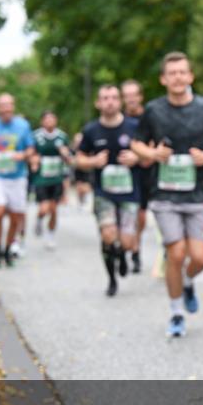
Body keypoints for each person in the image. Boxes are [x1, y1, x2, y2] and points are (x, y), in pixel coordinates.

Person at [131, 52, 203, 337]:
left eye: (182, 72)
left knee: (199, 258)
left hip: (197, 193)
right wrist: (152, 153)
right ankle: (176, 313)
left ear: (190, 77)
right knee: (175, 253)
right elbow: (137, 144)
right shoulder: (154, 110)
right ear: (163, 79)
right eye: (171, 73)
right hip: (164, 194)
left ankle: (187, 282)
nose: (177, 77)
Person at [78, 85, 144, 297]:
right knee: (108, 235)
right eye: (105, 98)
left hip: (129, 192)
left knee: (126, 241)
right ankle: (112, 279)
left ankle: (123, 254)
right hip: (103, 192)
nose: (110, 102)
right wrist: (92, 161)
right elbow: (78, 159)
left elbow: (150, 153)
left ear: (120, 102)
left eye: (114, 98)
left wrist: (137, 158)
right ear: (98, 103)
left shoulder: (134, 126)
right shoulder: (91, 130)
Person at [0, 94, 35, 268]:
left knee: (16, 217)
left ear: (13, 107)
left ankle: (8, 248)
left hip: (17, 177)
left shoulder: (23, 126)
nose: (6, 109)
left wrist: (23, 155)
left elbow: (31, 149)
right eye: (3, 105)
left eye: (9, 105)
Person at [31, 110, 73, 250]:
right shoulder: (36, 136)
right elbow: (31, 153)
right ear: (42, 121)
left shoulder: (62, 137)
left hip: (56, 177)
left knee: (54, 209)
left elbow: (69, 158)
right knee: (44, 208)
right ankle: (39, 219)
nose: (49, 121)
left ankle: (50, 235)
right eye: (47, 119)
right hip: (41, 178)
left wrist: (65, 154)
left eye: (52, 119)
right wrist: (34, 161)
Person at [123, 78, 152, 273]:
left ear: (140, 97)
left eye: (135, 95)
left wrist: (138, 156)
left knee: (140, 217)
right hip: (123, 175)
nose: (131, 99)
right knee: (125, 215)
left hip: (145, 173)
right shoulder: (118, 120)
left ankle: (136, 248)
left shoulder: (150, 117)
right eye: (127, 95)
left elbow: (154, 148)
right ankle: (126, 248)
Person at [70, 132, 92, 209]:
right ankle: (80, 201)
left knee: (86, 187)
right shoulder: (73, 150)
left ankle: (85, 200)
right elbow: (70, 160)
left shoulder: (87, 147)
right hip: (77, 170)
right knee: (79, 187)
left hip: (87, 170)